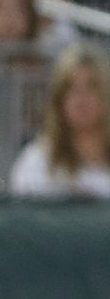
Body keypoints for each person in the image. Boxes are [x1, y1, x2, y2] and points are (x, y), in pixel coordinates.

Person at [10, 46, 110, 200]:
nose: (81, 99)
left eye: (91, 87)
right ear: (58, 99)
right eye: (71, 89)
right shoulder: (36, 161)